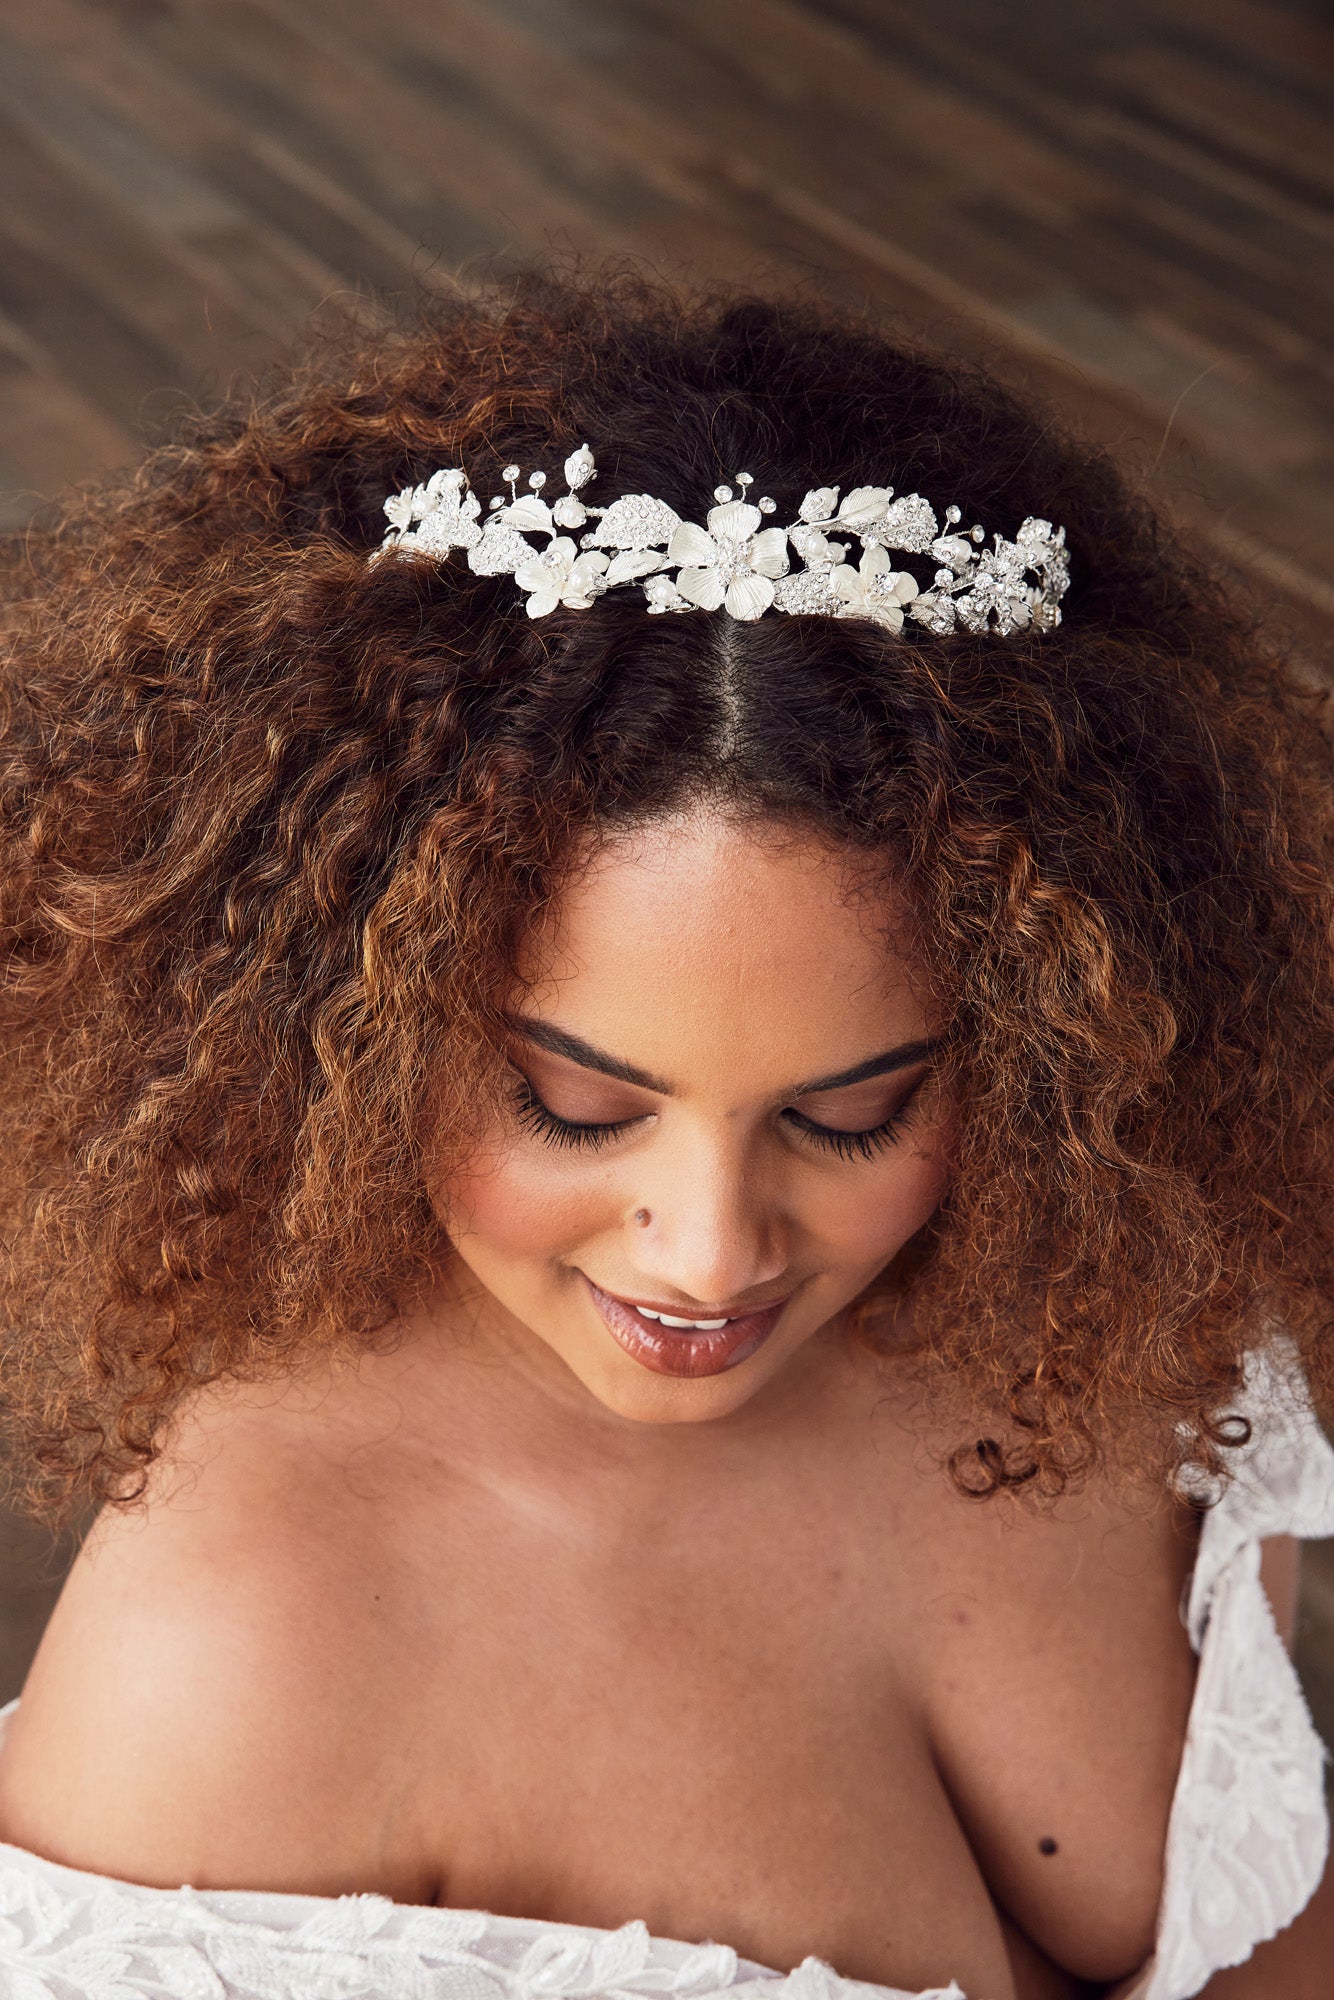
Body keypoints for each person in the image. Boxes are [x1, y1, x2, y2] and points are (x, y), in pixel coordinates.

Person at [0, 267, 1328, 2000]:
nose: (711, 1252)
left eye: (853, 1113)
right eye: (573, 1103)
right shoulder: (241, 1665)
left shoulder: (1113, 1288)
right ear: (343, 1021)